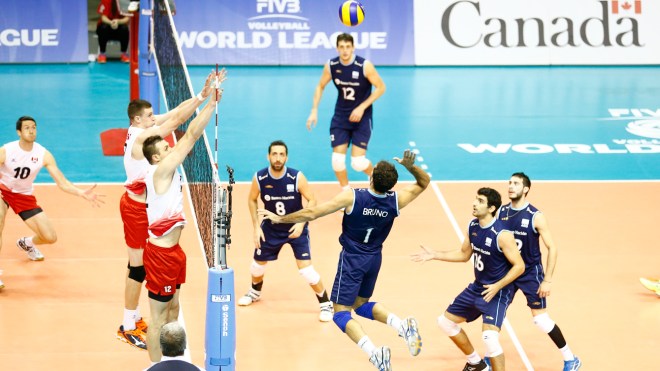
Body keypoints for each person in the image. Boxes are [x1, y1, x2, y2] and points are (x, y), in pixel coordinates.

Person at [259, 150, 428, 371]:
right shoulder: (396, 201)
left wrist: (280, 218)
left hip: (352, 260)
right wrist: (410, 167)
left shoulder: (353, 197)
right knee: (361, 304)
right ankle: (402, 325)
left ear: (371, 178)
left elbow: (312, 212)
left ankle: (375, 353)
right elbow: (424, 183)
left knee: (340, 313)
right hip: (374, 258)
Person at [117, 71, 221, 350]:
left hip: (146, 208)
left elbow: (175, 113)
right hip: (138, 210)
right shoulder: (144, 141)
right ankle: (128, 325)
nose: (155, 118)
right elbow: (181, 126)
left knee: (168, 301)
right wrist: (210, 102)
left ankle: (157, 339)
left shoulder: (144, 132)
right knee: (137, 269)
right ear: (138, 120)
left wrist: (201, 96)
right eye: (150, 115)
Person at [411, 187, 525, 371]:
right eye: (475, 199)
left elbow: (520, 266)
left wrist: (497, 286)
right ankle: (476, 363)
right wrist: (435, 254)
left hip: (498, 292)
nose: (474, 203)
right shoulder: (473, 226)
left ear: (491, 208)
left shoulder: (502, 235)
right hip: (477, 287)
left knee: (490, 338)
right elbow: (464, 255)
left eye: (480, 201)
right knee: (445, 322)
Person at [0, 116, 104, 290]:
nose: (31, 130)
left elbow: (62, 183)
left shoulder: (42, 154)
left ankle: (27, 243)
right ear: (19, 132)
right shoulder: (7, 151)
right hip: (3, 191)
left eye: (34, 127)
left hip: (24, 196)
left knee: (50, 237)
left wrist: (80, 192)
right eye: (27, 128)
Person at [237, 140, 334, 322]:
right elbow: (252, 200)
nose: (278, 158)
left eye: (282, 154)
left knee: (306, 271)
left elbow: (312, 200)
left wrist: (301, 223)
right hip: (271, 229)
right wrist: (256, 226)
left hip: (296, 227)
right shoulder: (260, 178)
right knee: (257, 265)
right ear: (268, 156)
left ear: (286, 157)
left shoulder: (296, 177)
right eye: (274, 154)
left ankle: (325, 304)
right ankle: (255, 292)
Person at [499, 172, 581, 371]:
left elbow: (552, 248)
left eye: (516, 183)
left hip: (529, 274)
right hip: (508, 272)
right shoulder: (501, 211)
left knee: (541, 320)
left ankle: (571, 358)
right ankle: (492, 356)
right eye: (510, 183)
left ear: (526, 189)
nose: (511, 186)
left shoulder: (536, 216)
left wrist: (548, 280)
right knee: (495, 314)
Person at [306, 33, 386, 190]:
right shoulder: (332, 65)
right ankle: (346, 192)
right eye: (341, 47)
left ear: (353, 47)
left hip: (362, 118)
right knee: (337, 160)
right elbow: (320, 86)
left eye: (348, 47)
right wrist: (314, 110)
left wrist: (362, 107)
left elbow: (381, 87)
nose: (345, 50)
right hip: (341, 116)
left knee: (358, 163)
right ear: (337, 48)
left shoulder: (364, 65)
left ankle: (378, 180)